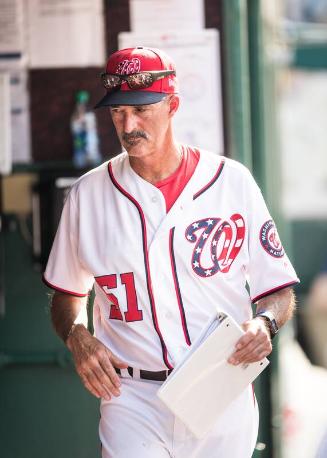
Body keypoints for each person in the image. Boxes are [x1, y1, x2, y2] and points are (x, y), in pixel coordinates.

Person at [43, 46, 299, 458]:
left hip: (220, 384)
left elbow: (278, 289)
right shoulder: (87, 195)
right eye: (118, 112)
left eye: (142, 109)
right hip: (131, 397)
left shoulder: (231, 182)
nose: (129, 124)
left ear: (173, 104)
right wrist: (77, 335)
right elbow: (67, 296)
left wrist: (265, 323)